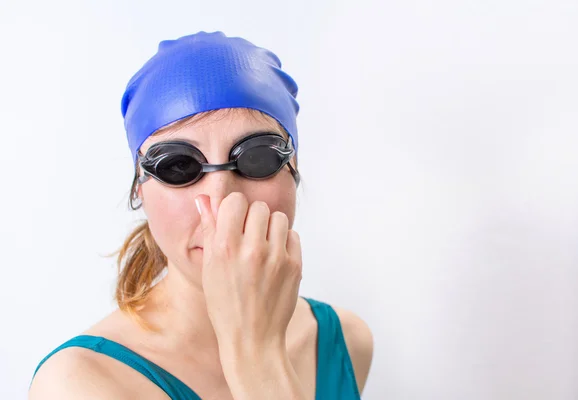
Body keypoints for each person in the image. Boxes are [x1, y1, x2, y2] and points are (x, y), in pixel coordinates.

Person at [29, 31, 374, 400]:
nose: (223, 199)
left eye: (257, 158)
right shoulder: (80, 384)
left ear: (294, 173)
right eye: (179, 166)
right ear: (139, 190)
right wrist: (256, 357)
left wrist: (259, 356)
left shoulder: (347, 342)